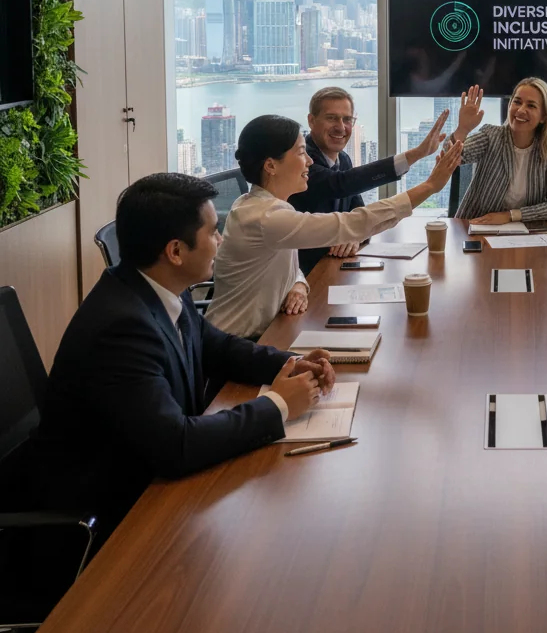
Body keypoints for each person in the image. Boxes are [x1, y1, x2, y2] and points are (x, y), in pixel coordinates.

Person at [9, 173, 335, 548]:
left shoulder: (154, 287)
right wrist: (277, 405)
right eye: (214, 233)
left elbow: (218, 348)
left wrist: (289, 364)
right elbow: (176, 445)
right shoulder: (121, 327)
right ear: (176, 251)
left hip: (151, 486)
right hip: (107, 520)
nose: (221, 241)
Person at [207, 115, 462, 338]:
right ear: (271, 165)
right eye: (300, 152)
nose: (309, 161)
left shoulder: (265, 207)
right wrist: (429, 187)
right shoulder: (266, 217)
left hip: (269, 332)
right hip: (236, 347)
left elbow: (283, 260)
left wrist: (298, 284)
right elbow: (352, 223)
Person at [289, 86, 450, 275]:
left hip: (335, 268)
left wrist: (355, 237)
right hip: (304, 275)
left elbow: (360, 214)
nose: (341, 127)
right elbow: (339, 184)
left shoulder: (344, 159)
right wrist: (416, 155)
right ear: (311, 120)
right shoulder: (301, 161)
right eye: (331, 118)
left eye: (347, 119)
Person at [443, 79, 547, 224]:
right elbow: (449, 159)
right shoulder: (491, 136)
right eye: (517, 102)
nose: (521, 110)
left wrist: (510, 215)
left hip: (526, 236)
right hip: (477, 227)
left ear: (544, 117)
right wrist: (462, 130)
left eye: (531, 105)